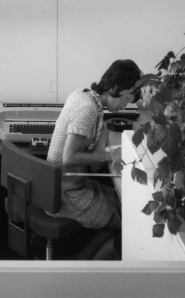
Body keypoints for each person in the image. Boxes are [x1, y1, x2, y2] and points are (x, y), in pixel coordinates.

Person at [46, 59, 142, 260]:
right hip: (65, 194)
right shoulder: (88, 109)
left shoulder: (85, 95)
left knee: (120, 205)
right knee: (128, 221)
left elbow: (103, 128)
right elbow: (69, 157)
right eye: (126, 98)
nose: (126, 105)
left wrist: (100, 149)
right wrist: (107, 155)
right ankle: (92, 275)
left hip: (61, 185)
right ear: (114, 88)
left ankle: (81, 260)